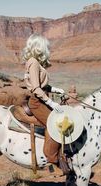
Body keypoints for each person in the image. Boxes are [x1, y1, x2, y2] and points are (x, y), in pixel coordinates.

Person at [22, 33, 65, 164]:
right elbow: (36, 88)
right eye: (46, 47)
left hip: (41, 98)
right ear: (39, 47)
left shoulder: (35, 62)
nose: (48, 50)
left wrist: (55, 90)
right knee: (54, 124)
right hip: (37, 102)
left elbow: (41, 85)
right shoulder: (34, 63)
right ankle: (51, 158)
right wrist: (51, 102)